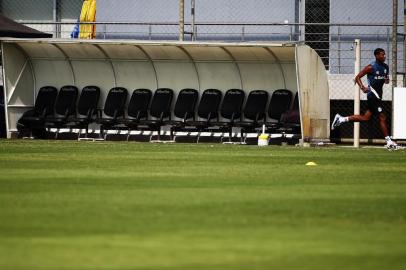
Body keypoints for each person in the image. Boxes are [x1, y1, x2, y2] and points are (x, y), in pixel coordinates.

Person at [331, 48, 399, 150]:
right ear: (376, 56)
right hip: (372, 96)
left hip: (379, 96)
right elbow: (358, 77)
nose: (384, 56)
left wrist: (387, 80)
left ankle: (341, 119)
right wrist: (363, 87)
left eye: (384, 55)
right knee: (382, 116)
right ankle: (389, 141)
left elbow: (386, 82)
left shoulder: (385, 67)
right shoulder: (371, 67)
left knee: (365, 118)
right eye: (382, 55)